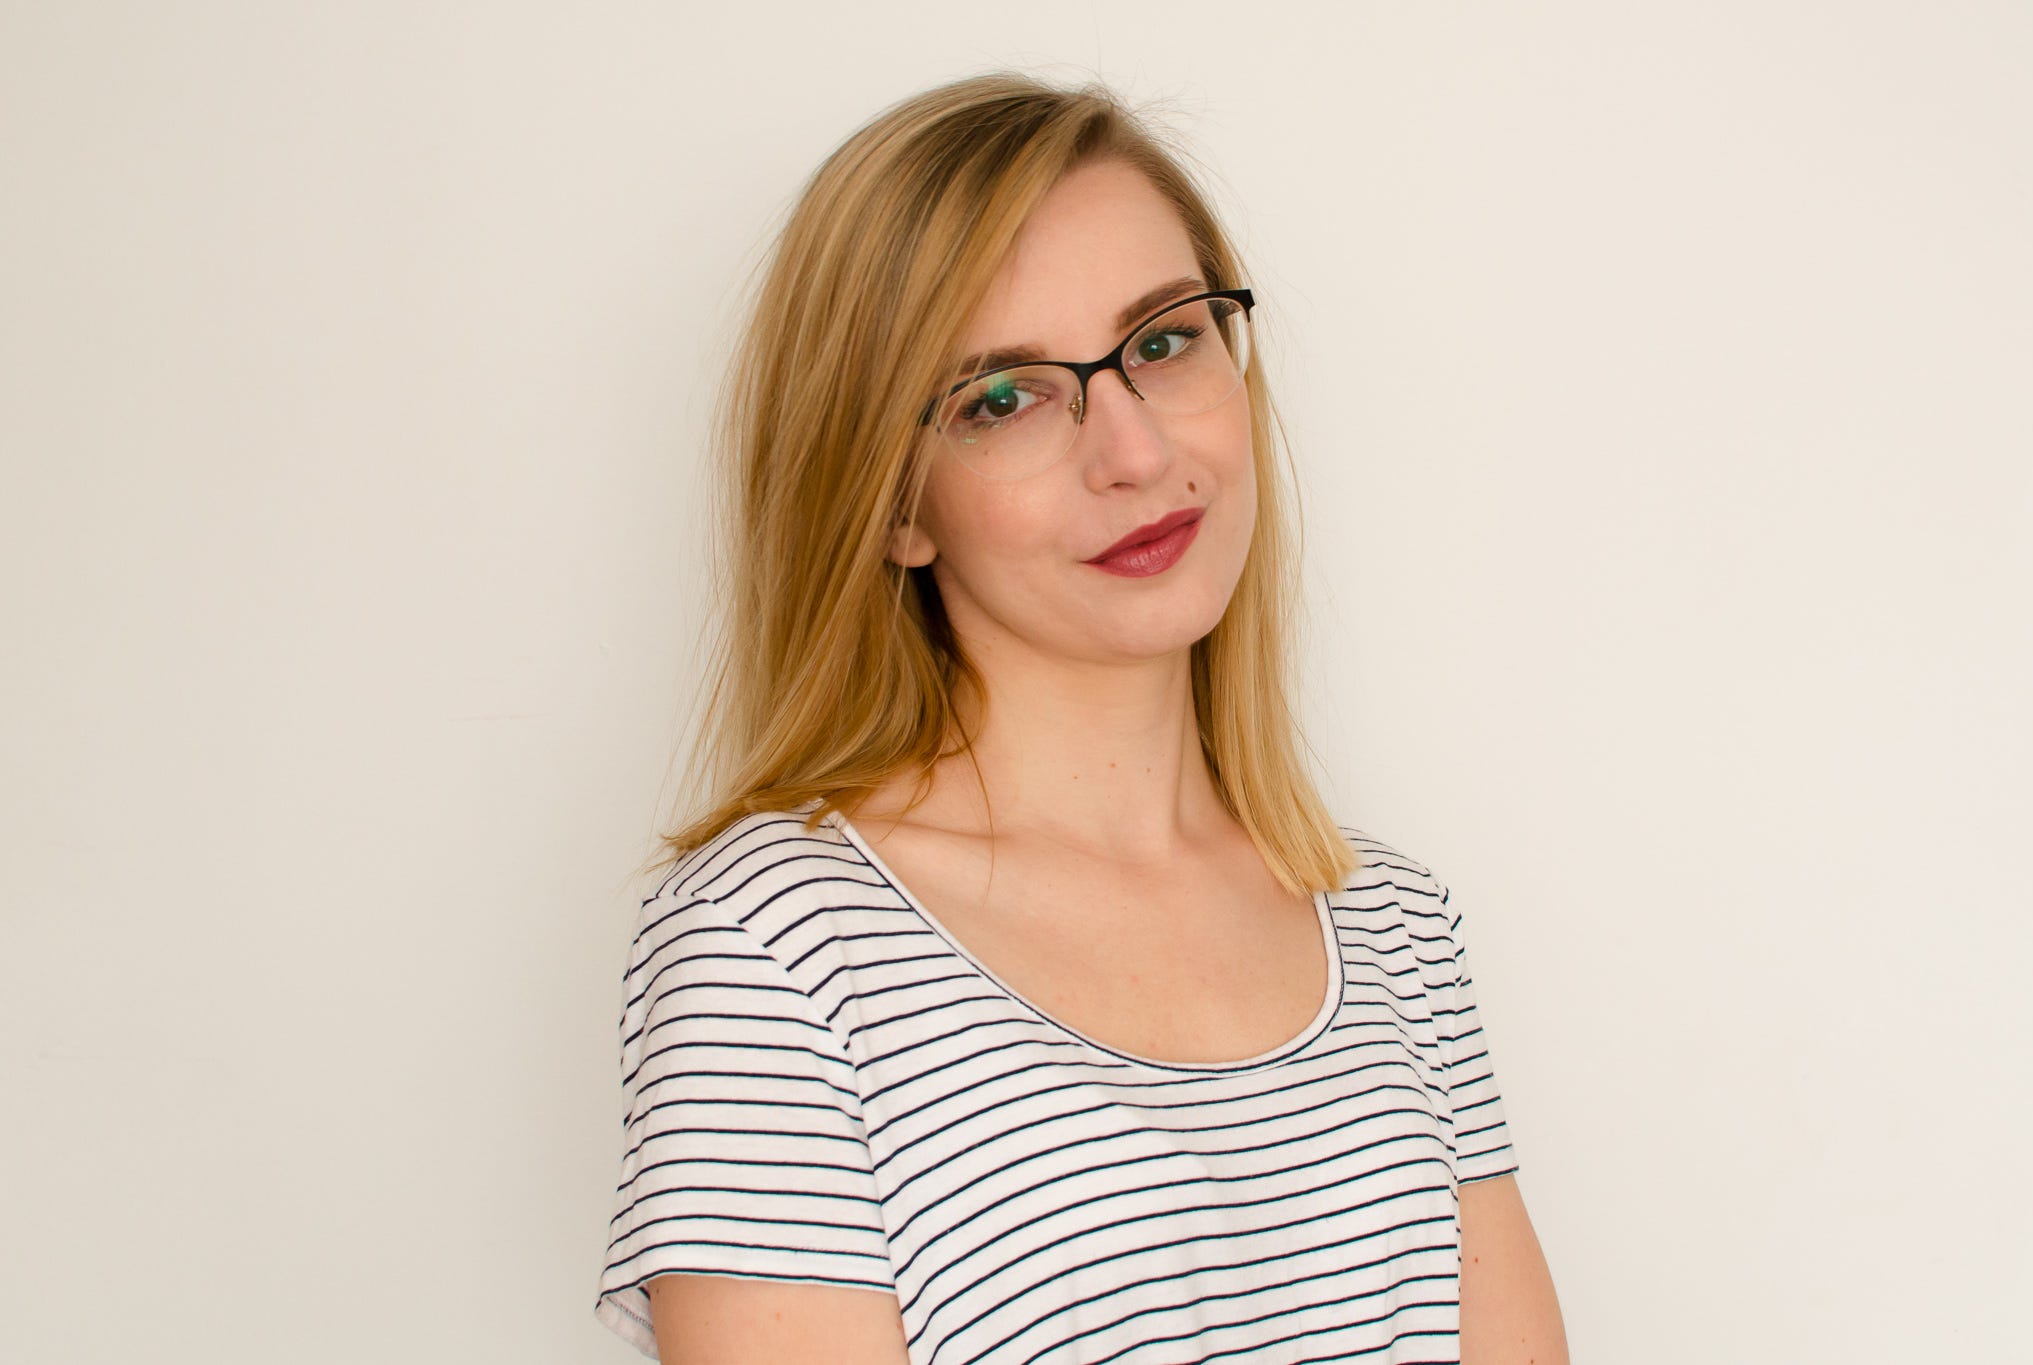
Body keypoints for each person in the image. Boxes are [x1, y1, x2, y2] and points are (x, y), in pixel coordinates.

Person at [594, 70, 1569, 1364]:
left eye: (1163, 342)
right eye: (1002, 398)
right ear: (892, 505)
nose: (1135, 453)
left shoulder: (1393, 930)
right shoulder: (777, 949)